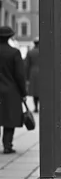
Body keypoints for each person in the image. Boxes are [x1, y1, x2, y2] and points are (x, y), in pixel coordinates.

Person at [0, 26, 28, 154]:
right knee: (9, 118)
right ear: (10, 36)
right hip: (10, 90)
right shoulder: (14, 53)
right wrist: (23, 92)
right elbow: (19, 75)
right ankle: (7, 145)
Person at [25, 37, 40, 113]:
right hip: (42, 72)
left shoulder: (30, 52)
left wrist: (27, 78)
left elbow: (26, 65)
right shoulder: (44, 52)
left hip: (33, 73)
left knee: (35, 92)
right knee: (41, 91)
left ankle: (36, 107)